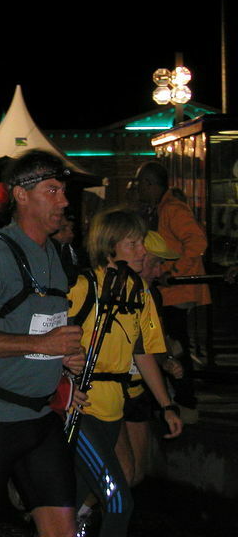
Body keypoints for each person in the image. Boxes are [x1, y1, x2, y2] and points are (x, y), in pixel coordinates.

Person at [0, 150, 84, 537]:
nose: (64, 200)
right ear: (21, 195)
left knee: (62, 528)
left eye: (63, 191)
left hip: (41, 419)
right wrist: (43, 345)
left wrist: (63, 358)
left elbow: (44, 326)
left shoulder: (53, 253)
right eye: (53, 190)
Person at [68, 208, 182, 537]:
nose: (142, 251)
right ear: (109, 247)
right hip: (80, 409)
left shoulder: (139, 294)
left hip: (112, 409)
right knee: (118, 500)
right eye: (132, 244)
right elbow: (48, 339)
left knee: (71, 501)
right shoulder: (83, 286)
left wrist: (167, 405)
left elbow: (144, 352)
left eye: (140, 243)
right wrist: (63, 371)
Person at [134, 161, 209, 416]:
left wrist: (173, 273)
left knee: (174, 345)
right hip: (172, 291)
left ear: (150, 184)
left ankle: (184, 402)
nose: (138, 190)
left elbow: (197, 241)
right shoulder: (164, 208)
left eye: (140, 184)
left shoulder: (172, 210)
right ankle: (179, 400)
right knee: (172, 344)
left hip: (177, 292)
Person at [114, 230, 184, 491]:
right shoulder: (105, 289)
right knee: (123, 471)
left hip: (138, 390)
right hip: (109, 391)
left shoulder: (149, 295)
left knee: (135, 474)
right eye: (155, 263)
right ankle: (77, 516)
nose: (158, 271)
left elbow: (150, 343)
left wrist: (165, 361)